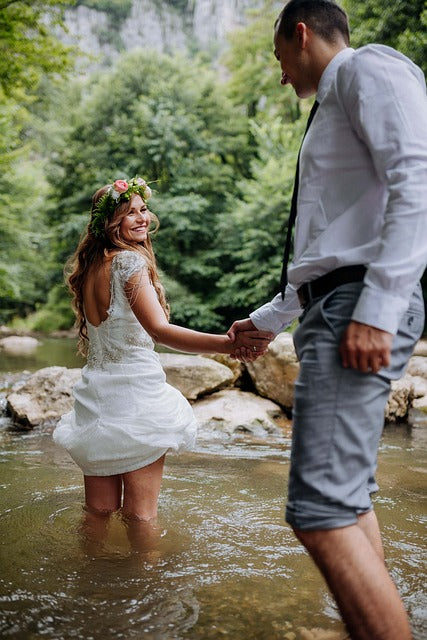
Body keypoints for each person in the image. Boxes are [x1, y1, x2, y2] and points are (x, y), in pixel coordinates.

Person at [228, 1, 427, 638]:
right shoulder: (332, 107)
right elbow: (325, 250)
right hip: (332, 305)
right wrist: (267, 320)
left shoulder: (370, 68)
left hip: (359, 305)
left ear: (301, 33)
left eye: (278, 54)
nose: (281, 71)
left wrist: (379, 305)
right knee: (348, 497)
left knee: (317, 511)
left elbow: (415, 179)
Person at [53, 176, 272, 535]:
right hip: (136, 397)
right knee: (141, 516)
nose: (141, 218)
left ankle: (91, 584)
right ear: (110, 223)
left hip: (96, 396)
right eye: (129, 213)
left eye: (143, 210)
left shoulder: (91, 268)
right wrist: (226, 344)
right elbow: (160, 331)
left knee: (99, 512)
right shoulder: (128, 264)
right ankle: (149, 589)